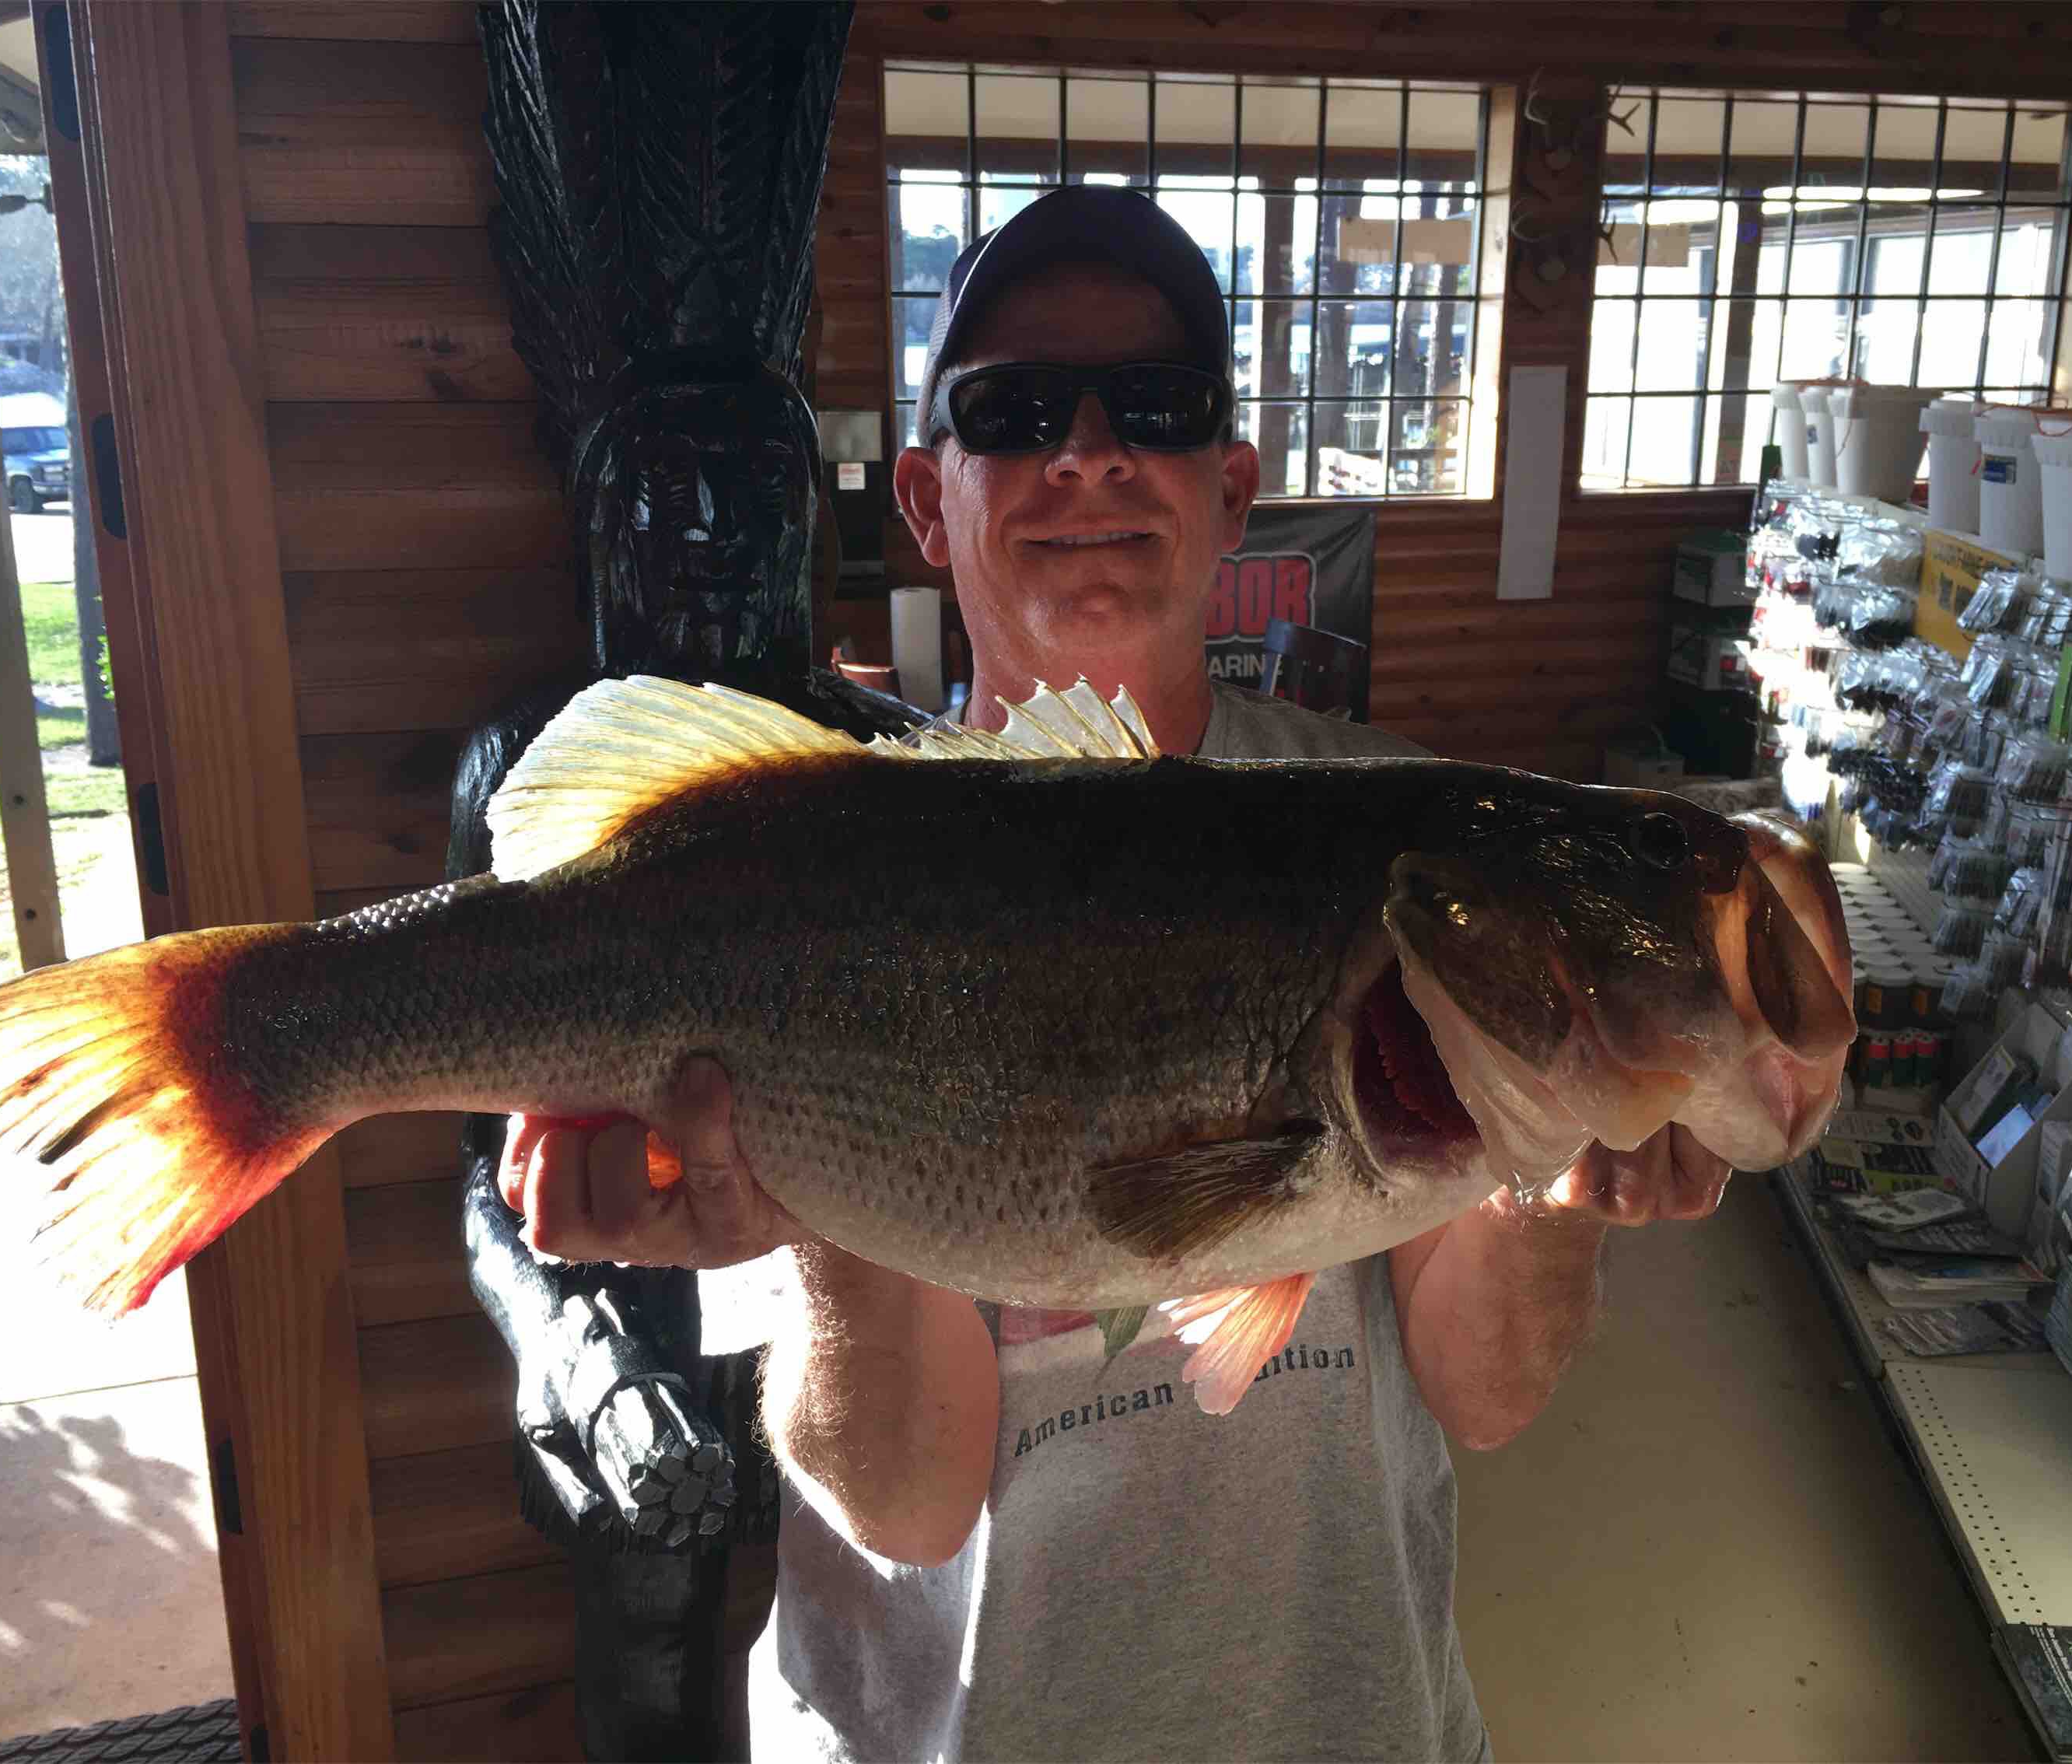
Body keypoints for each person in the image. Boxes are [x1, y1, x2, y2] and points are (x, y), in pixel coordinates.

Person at [498, 184, 1734, 1761]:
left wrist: (1558, 1178)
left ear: (1232, 486)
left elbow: (1484, 1392)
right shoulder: (810, 871)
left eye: (1154, 405)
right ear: (928, 502)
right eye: (1014, 412)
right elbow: (905, 1501)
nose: (1089, 454)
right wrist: (809, 1219)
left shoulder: (1407, 853)